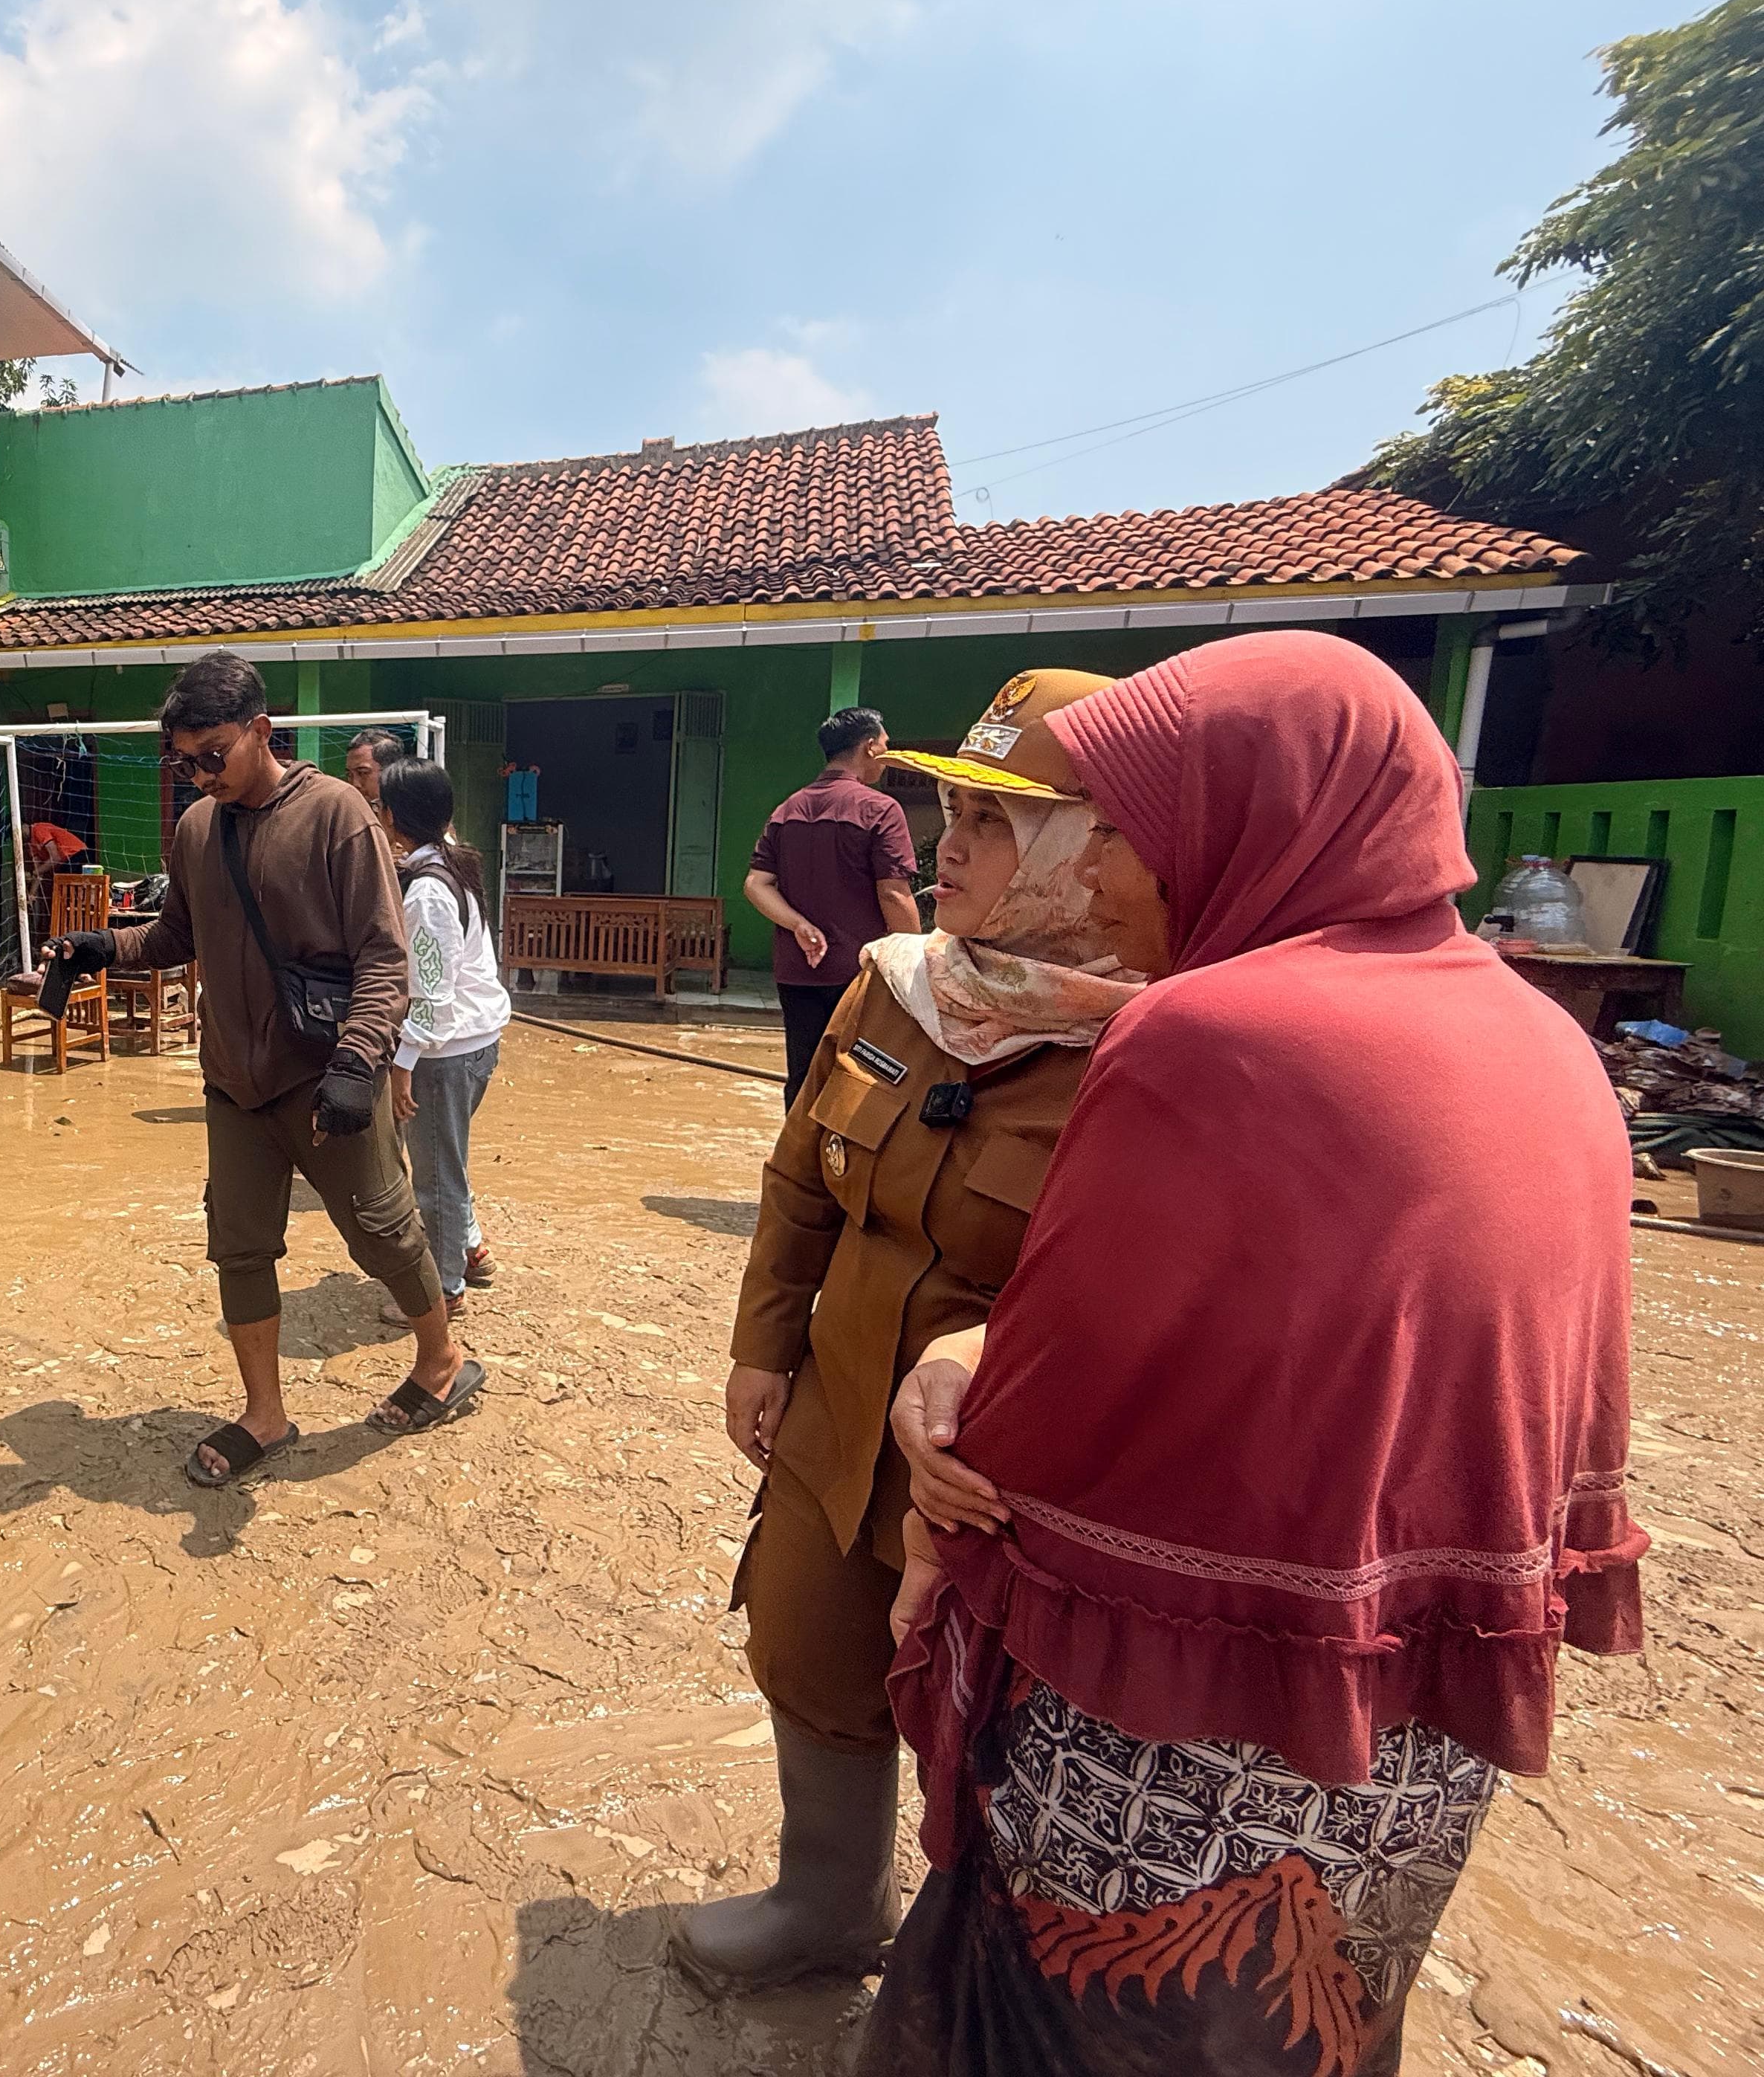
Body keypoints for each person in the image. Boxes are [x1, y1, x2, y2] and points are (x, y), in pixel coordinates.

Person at [858, 632, 1646, 2077]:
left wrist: (946, 1422)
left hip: (1174, 1739)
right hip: (1410, 1731)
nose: (1096, 874)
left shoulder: (1201, 1035)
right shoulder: (1554, 1057)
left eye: (1129, 832)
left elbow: (1034, 1430)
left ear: (1248, 820)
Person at [671, 670, 1140, 1992]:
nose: (947, 848)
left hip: (999, 1464)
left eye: (991, 826)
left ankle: (976, 1960)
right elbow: (796, 1176)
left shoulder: (1155, 1042)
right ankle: (828, 1901)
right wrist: (762, 1342)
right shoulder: (900, 988)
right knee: (808, 1639)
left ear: (1083, 849)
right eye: (945, 811)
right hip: (838, 1409)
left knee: (1000, 1712)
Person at [30, 651, 479, 1485]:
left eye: (214, 755)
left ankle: (442, 1357)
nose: (201, 776)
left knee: (382, 1231)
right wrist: (101, 947)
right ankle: (265, 1416)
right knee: (238, 1249)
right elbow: (176, 938)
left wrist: (359, 1062)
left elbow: (386, 959)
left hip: (327, 1073)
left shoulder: (339, 815)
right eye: (184, 762)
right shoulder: (198, 829)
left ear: (261, 732)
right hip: (235, 1080)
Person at [378, 758, 509, 1322]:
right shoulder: (446, 863)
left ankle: (442, 1290)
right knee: (443, 1162)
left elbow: (430, 997)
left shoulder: (428, 894)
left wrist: (402, 1064)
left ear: (391, 817)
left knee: (433, 1179)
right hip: (472, 1041)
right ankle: (470, 1252)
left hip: (445, 1052)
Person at [746, 707, 920, 1107]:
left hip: (797, 969)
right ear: (870, 747)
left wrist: (797, 925)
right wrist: (916, 962)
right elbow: (894, 894)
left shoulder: (787, 810)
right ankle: (844, 1165)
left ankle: (796, 1163)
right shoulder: (880, 809)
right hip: (863, 973)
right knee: (863, 1075)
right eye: (886, 745)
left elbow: (756, 884)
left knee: (805, 1075)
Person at [343, 726, 407, 813]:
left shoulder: (413, 819)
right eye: (349, 775)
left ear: (390, 773)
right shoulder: (345, 818)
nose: (355, 784)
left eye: (363, 773)